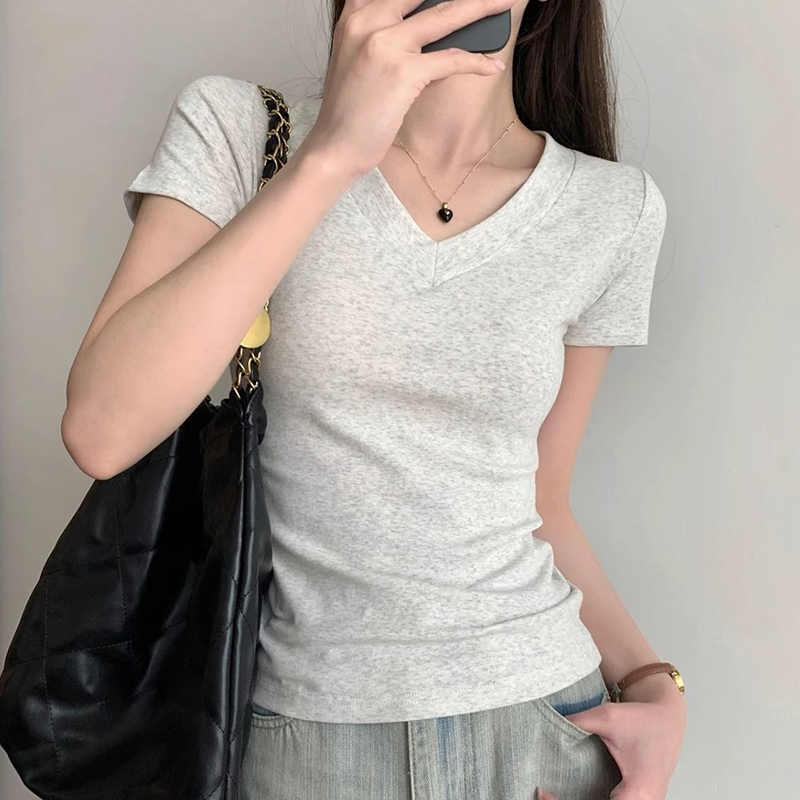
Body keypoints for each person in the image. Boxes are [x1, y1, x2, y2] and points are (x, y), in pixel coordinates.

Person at [62, 0, 687, 797]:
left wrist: (655, 684)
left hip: (541, 725)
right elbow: (102, 431)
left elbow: (544, 501)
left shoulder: (615, 209)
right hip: (304, 735)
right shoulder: (240, 129)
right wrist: (330, 155)